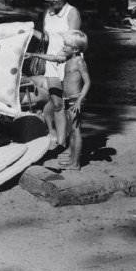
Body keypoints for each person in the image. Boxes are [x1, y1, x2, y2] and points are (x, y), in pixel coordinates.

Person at [34, 0, 82, 151]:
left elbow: (73, 41)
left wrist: (59, 57)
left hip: (68, 63)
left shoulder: (72, 12)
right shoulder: (48, 13)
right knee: (56, 103)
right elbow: (47, 39)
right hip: (51, 63)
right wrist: (29, 32)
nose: (52, 1)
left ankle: (64, 142)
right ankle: (57, 137)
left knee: (67, 104)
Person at [60, 31, 92, 170]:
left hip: (75, 100)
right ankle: (72, 159)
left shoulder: (79, 61)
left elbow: (87, 82)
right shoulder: (69, 59)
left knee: (76, 131)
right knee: (71, 131)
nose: (63, 47)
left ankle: (76, 163)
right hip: (67, 99)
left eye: (66, 45)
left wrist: (79, 100)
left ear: (75, 49)